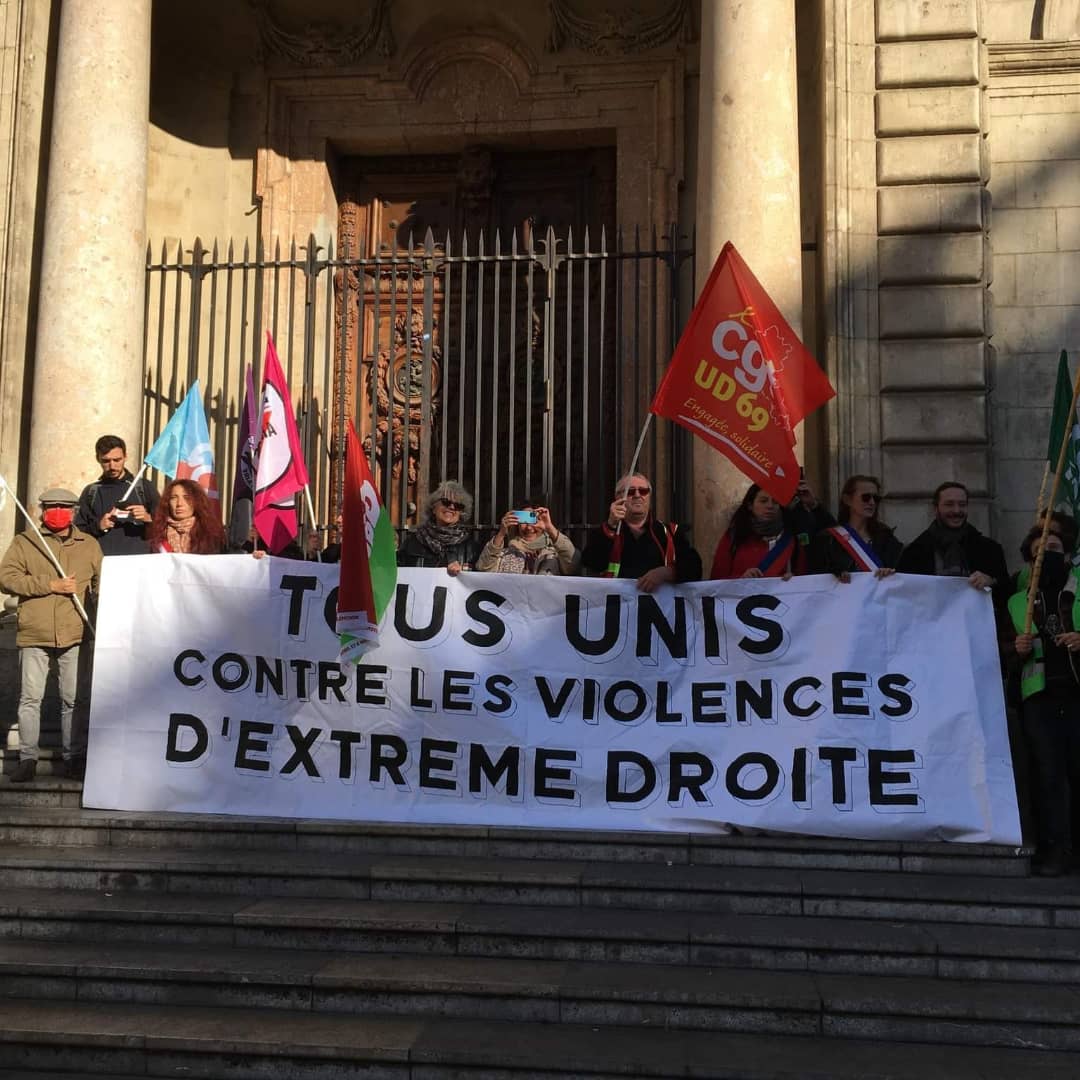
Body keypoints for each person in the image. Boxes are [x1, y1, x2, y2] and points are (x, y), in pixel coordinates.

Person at [0, 488, 102, 783]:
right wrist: (50, 584)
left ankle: (73, 758)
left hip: (75, 631)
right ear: (42, 510)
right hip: (35, 631)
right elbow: (7, 578)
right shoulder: (25, 541)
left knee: (74, 699)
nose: (58, 511)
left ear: (74, 511)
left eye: (64, 506)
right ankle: (27, 759)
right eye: (52, 506)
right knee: (30, 698)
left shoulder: (89, 545)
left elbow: (102, 584)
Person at [1009, 523, 1080, 876]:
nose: (1046, 555)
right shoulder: (1016, 601)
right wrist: (1016, 651)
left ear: (1066, 555)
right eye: (1039, 551)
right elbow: (1000, 653)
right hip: (1039, 700)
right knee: (1048, 776)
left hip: (1077, 693)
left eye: (1053, 548)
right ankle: (1057, 848)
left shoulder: (1079, 591)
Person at [581, 473, 702, 592]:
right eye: (630, 491)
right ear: (618, 498)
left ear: (649, 496)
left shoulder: (670, 532)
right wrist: (611, 525)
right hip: (618, 608)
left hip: (658, 610)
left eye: (643, 491)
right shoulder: (607, 531)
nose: (637, 495)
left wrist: (666, 572)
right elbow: (591, 563)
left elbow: (695, 569)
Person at [896, 481, 1008, 604]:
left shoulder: (991, 549)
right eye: (949, 504)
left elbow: (1007, 594)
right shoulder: (914, 552)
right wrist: (886, 576)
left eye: (962, 504)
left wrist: (991, 582)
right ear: (936, 508)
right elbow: (902, 597)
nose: (956, 510)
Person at [711, 483, 825, 580]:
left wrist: (794, 580)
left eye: (775, 502)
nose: (770, 506)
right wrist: (741, 579)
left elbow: (805, 577)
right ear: (750, 505)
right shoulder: (733, 536)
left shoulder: (792, 536)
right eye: (763, 501)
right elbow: (716, 580)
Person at [75, 435, 159, 555]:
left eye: (117, 460)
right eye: (106, 461)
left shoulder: (143, 487)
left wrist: (147, 518)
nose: (112, 466)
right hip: (103, 563)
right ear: (98, 459)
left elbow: (167, 524)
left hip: (139, 562)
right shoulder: (91, 492)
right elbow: (77, 532)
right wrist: (98, 526)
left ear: (125, 457)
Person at [812, 474, 902, 580]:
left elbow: (900, 573)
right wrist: (836, 574)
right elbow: (816, 577)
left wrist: (889, 572)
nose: (872, 502)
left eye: (876, 498)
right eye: (866, 497)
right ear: (847, 500)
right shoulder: (828, 539)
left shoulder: (886, 538)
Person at [397, 481, 482, 574]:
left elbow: (480, 578)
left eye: (458, 505)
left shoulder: (471, 548)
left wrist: (464, 571)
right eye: (446, 502)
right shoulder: (412, 542)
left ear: (461, 513)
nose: (452, 507)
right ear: (433, 507)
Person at [477, 501, 578, 575]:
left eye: (534, 521)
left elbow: (573, 564)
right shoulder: (504, 554)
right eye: (524, 521)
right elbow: (483, 568)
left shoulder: (555, 554)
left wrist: (550, 528)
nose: (529, 527)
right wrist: (501, 533)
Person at [147, 480, 226, 554]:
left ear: (197, 501)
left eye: (186, 497)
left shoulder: (211, 535)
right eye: (173, 498)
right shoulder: (157, 535)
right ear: (167, 503)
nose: (179, 504)